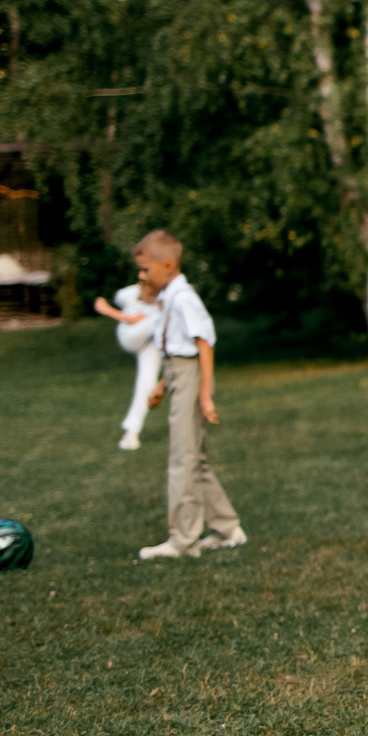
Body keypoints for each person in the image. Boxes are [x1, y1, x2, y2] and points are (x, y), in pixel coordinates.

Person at [131, 229, 247, 560]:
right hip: (178, 376)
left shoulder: (183, 298)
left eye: (146, 269)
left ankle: (183, 540)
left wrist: (205, 396)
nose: (141, 276)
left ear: (168, 265)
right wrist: (161, 386)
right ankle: (228, 529)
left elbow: (203, 345)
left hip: (191, 380)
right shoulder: (170, 296)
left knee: (182, 460)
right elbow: (177, 350)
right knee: (194, 459)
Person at [92, 278, 165, 450]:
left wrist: (108, 311)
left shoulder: (163, 301)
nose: (150, 297)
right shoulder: (128, 293)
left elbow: (139, 319)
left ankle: (131, 433)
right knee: (157, 319)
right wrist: (105, 305)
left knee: (147, 382)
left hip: (148, 341)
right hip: (128, 336)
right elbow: (108, 302)